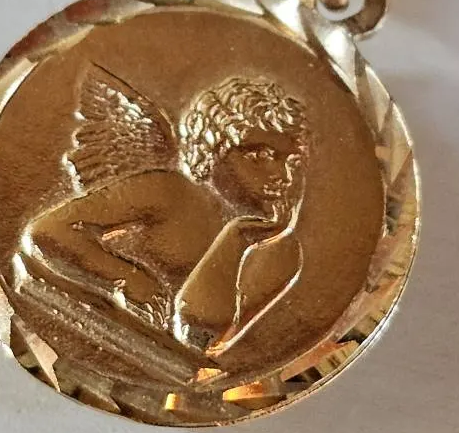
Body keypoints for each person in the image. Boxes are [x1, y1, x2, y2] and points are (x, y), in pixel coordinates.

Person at [17, 64, 308, 359]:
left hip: (151, 362)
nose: (283, 176)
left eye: (292, 162)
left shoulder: (282, 253)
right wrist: (128, 279)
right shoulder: (168, 191)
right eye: (260, 155)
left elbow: (198, 336)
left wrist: (237, 238)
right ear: (214, 149)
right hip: (81, 329)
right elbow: (46, 232)